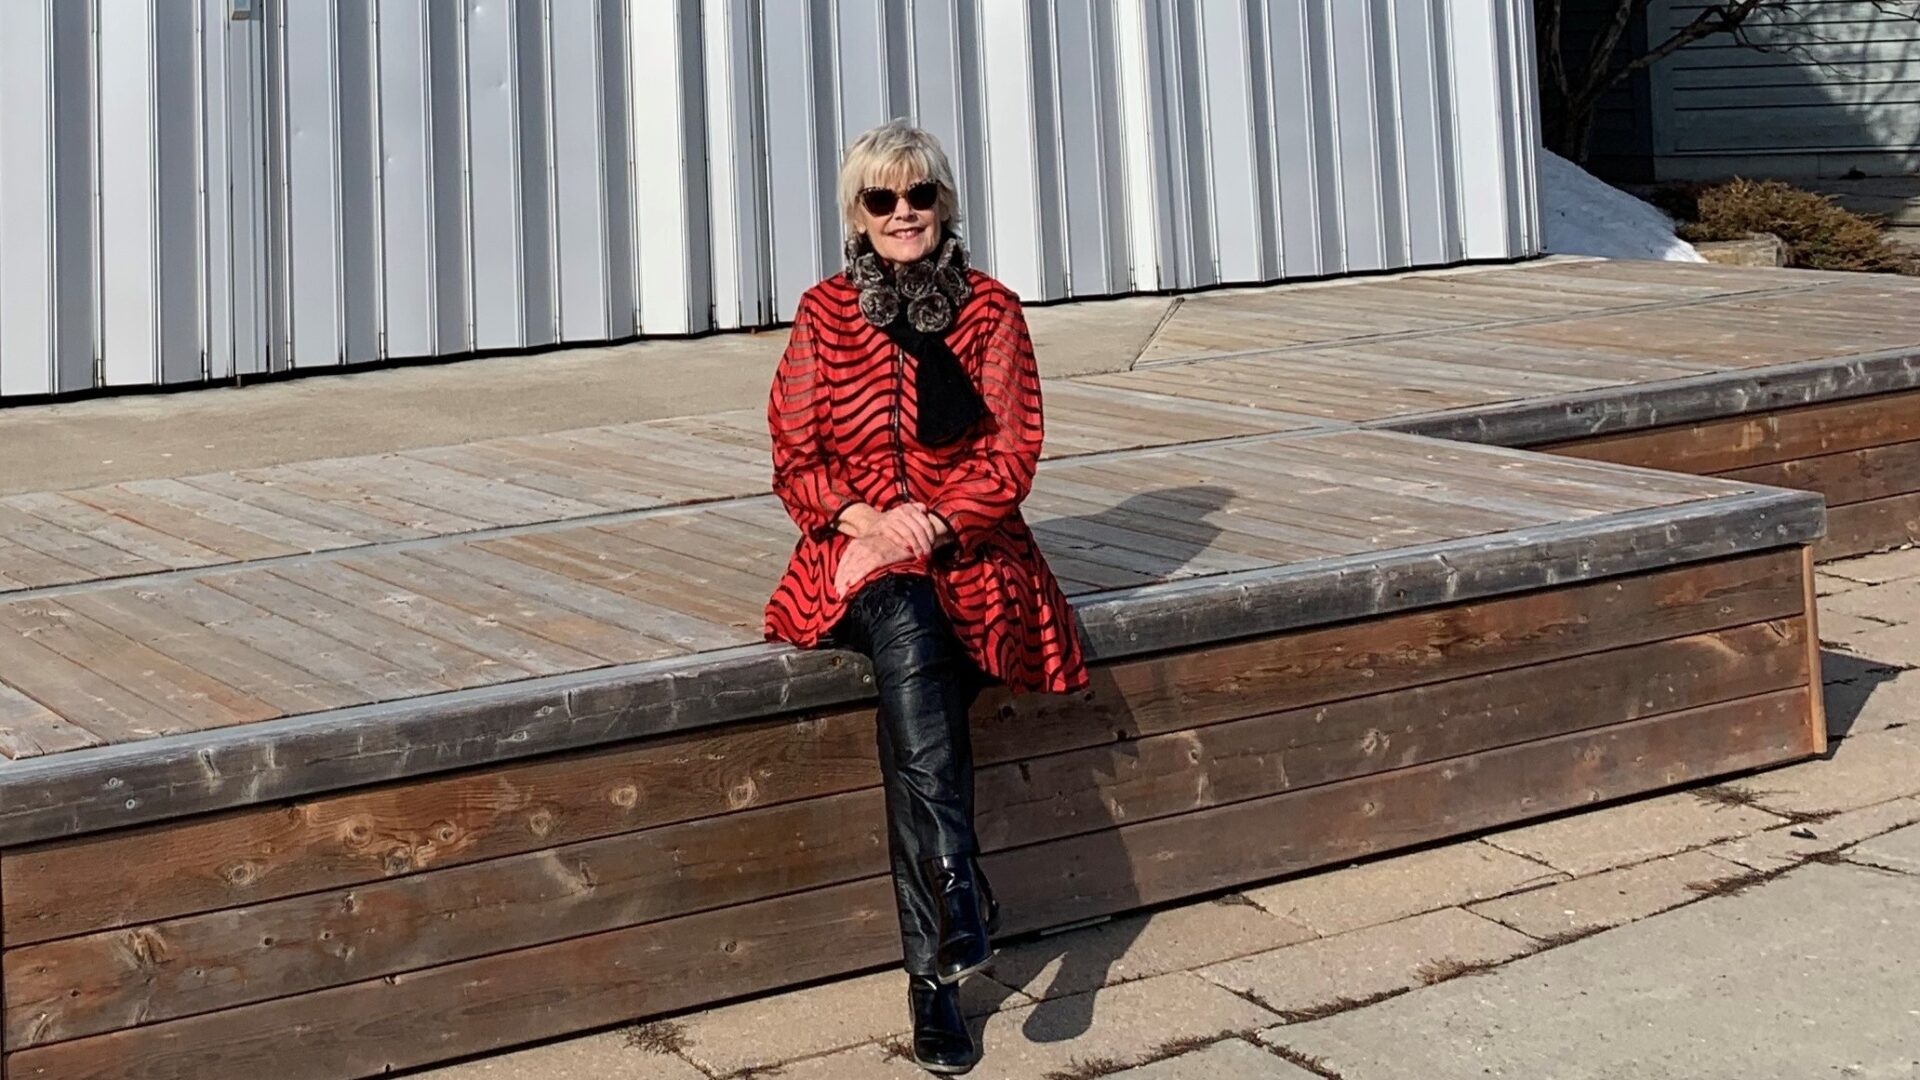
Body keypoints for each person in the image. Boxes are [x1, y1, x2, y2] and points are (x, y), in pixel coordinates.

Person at [763, 119, 1089, 1075]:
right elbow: (795, 459)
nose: (903, 213)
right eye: (882, 199)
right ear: (857, 216)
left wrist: (931, 525)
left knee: (919, 664)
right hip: (856, 550)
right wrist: (871, 524)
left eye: (920, 195)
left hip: (974, 550)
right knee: (906, 618)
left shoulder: (991, 311)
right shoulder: (825, 314)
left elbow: (1012, 455)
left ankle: (933, 969)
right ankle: (956, 884)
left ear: (945, 203)